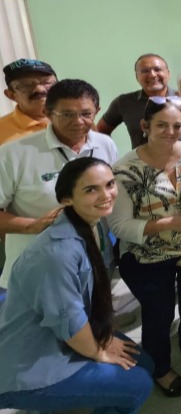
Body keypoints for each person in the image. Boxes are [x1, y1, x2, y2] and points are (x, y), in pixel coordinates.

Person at [0, 158, 154, 413]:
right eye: (91, 189)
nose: (106, 195)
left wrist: (104, 340)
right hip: (29, 365)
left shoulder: (87, 227)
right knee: (138, 384)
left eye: (109, 184)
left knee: (143, 362)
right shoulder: (55, 254)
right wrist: (99, 351)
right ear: (66, 199)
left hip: (64, 333)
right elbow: (69, 320)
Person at [110, 98, 181, 397]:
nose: (171, 131)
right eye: (162, 125)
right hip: (146, 257)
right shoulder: (125, 170)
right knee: (159, 314)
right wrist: (168, 224)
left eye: (177, 125)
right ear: (145, 127)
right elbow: (119, 226)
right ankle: (161, 367)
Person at [0, 79, 118, 289]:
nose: (78, 121)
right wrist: (32, 226)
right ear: (47, 112)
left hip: (96, 258)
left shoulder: (104, 144)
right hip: (40, 266)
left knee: (97, 317)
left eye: (85, 114)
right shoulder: (13, 154)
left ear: (97, 111)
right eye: (67, 114)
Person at [97, 53, 176, 148]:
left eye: (157, 69)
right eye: (145, 71)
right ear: (137, 77)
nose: (152, 75)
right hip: (139, 162)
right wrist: (109, 154)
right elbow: (100, 131)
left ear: (168, 73)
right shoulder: (124, 102)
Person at [0, 58, 57, 145]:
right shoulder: (2, 130)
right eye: (26, 85)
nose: (39, 89)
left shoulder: (80, 118)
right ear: (11, 95)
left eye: (46, 82)